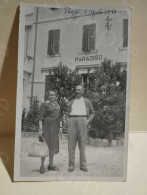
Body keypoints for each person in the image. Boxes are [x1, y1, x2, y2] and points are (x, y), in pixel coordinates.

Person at [66, 85, 95, 172]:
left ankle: (83, 165)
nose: (77, 91)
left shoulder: (87, 101)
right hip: (72, 121)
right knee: (71, 145)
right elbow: (67, 114)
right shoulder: (71, 102)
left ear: (83, 91)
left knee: (82, 145)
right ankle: (71, 165)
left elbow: (93, 112)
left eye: (79, 90)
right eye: (76, 90)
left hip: (83, 120)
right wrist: (68, 121)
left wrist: (88, 121)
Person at [38, 90, 60, 174]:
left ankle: (51, 165)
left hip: (55, 128)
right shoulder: (44, 105)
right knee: (45, 146)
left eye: (54, 95)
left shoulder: (57, 105)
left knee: (53, 146)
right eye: (51, 95)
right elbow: (40, 118)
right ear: (48, 96)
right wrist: (40, 129)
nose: (53, 96)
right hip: (46, 128)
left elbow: (59, 116)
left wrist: (60, 128)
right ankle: (42, 166)